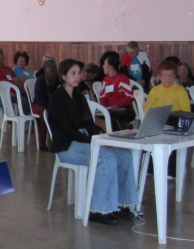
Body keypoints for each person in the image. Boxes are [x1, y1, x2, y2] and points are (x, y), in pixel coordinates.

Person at [47, 59, 137, 226]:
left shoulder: (78, 95)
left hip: (84, 141)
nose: (77, 76)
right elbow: (69, 132)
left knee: (123, 154)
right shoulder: (57, 99)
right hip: (68, 146)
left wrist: (102, 137)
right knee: (106, 156)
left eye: (79, 73)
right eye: (73, 73)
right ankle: (98, 208)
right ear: (63, 76)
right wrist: (95, 142)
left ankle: (122, 203)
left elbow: (89, 122)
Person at [98, 51, 136, 129]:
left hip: (124, 109)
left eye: (105, 64)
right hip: (110, 109)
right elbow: (103, 97)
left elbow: (130, 97)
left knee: (115, 118)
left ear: (110, 66)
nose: (103, 66)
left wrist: (118, 105)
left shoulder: (123, 79)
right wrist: (103, 108)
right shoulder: (105, 80)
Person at [32, 59, 61, 151]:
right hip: (38, 105)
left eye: (55, 70)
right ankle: (42, 142)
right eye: (51, 70)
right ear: (45, 71)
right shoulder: (40, 81)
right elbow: (40, 100)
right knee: (44, 113)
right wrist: (51, 107)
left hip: (52, 105)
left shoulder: (58, 80)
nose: (54, 73)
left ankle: (60, 139)